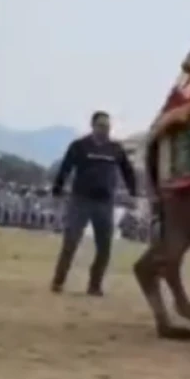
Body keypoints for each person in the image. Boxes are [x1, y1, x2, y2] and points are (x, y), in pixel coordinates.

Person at [49, 111, 138, 295]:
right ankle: (58, 281)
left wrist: (133, 193)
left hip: (104, 203)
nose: (105, 129)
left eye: (107, 126)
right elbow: (65, 168)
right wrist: (57, 190)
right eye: (101, 126)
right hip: (80, 201)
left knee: (104, 247)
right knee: (71, 242)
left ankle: (95, 285)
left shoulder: (115, 149)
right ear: (93, 126)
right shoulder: (79, 146)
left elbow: (127, 171)